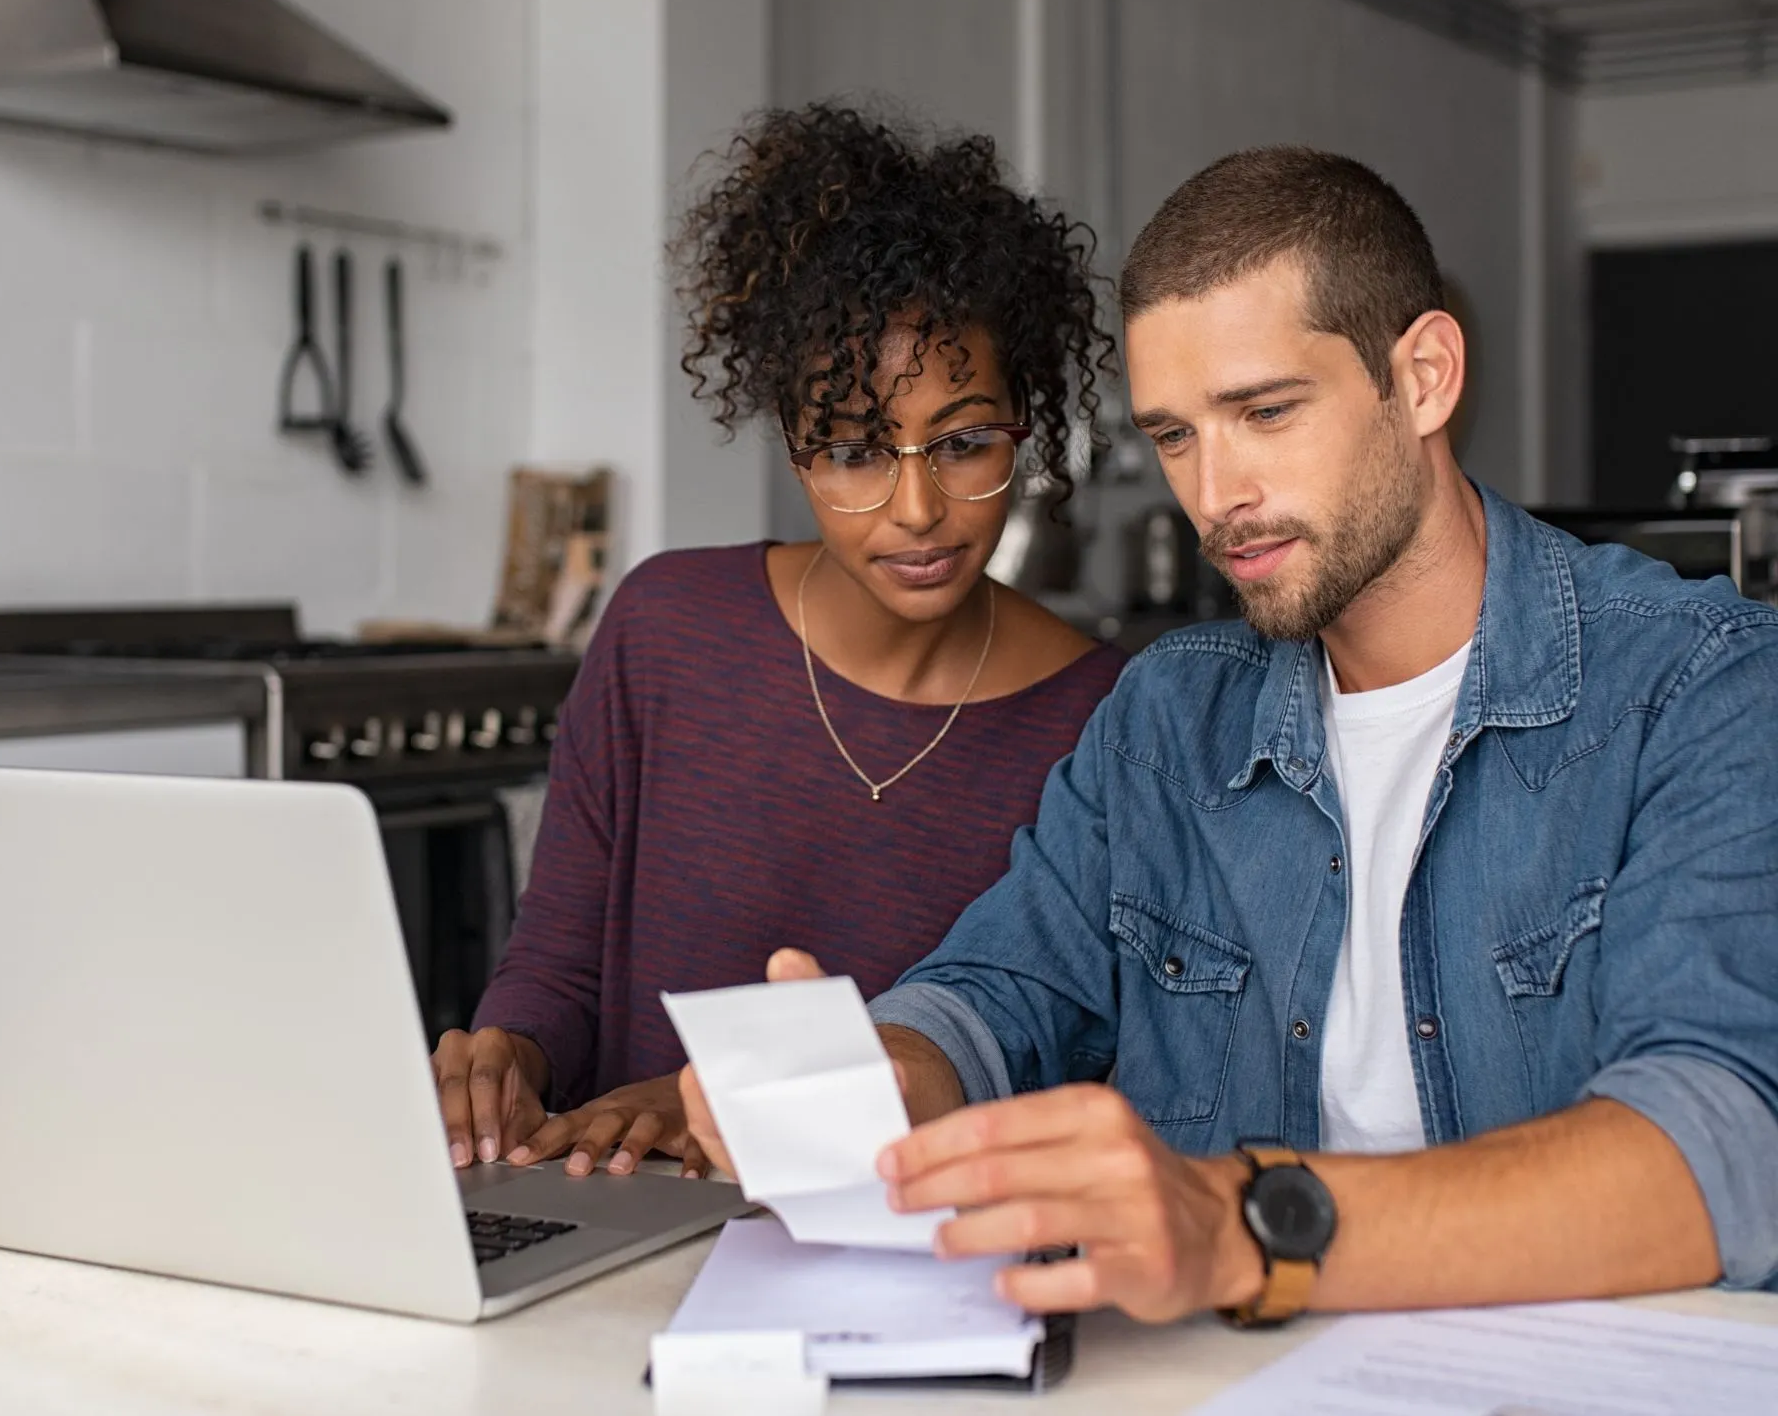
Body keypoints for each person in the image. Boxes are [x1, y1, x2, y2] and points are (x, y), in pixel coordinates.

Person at [684, 146, 1778, 1321]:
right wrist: (872, 1079)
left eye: (1264, 411)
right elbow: (997, 991)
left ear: (1424, 376)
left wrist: (1249, 1227)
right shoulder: (1168, 718)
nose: (1216, 493)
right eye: (1175, 434)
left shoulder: (1699, 684)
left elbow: (1726, 1146)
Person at [430, 104, 1128, 1180]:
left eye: (965, 442)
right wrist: (506, 1055)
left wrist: (716, 1104)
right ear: (794, 449)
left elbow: (1056, 1062)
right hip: (616, 1234)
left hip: (908, 1270)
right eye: (852, 450)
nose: (915, 508)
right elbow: (559, 968)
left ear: (1025, 429)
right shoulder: (664, 630)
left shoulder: (1103, 719)